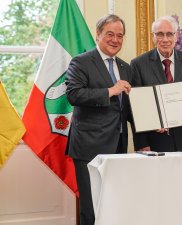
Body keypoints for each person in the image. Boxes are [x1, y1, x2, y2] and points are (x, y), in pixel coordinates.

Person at [65, 14, 133, 225]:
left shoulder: (125, 67)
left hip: (119, 147)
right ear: (98, 34)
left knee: (113, 206)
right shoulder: (81, 62)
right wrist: (110, 91)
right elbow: (74, 95)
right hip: (89, 147)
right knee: (91, 208)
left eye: (120, 35)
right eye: (110, 34)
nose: (115, 40)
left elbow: (128, 109)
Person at [130, 16, 182, 152]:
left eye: (169, 34)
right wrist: (142, 144)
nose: (165, 39)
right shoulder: (138, 64)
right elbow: (135, 107)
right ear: (153, 37)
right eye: (160, 34)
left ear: (176, 36)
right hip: (155, 141)